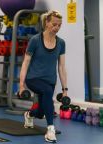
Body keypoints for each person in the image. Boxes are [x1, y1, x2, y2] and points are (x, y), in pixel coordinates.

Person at [19, 10, 68, 143]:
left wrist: (65, 90)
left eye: (59, 25)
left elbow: (62, 67)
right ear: (46, 23)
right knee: (47, 93)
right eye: (54, 24)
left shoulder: (61, 43)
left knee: (41, 112)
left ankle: (29, 115)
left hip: (50, 81)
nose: (56, 28)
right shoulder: (35, 40)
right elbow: (25, 62)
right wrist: (22, 85)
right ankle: (50, 130)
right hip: (33, 79)